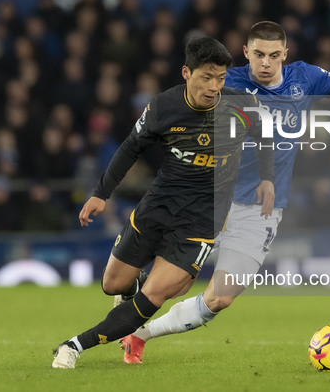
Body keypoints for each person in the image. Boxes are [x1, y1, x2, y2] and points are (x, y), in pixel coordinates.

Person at [120, 21, 330, 363]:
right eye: (259, 55)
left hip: (260, 211)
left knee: (220, 298)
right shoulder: (225, 82)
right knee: (172, 283)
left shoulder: (305, 79)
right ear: (246, 53)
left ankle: (139, 335)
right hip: (209, 203)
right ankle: (130, 292)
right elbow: (179, 110)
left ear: (285, 55)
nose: (265, 63)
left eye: (273, 56)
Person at [51, 36, 275, 369]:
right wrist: (101, 193)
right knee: (112, 284)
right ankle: (135, 286)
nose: (214, 86)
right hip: (158, 205)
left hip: (201, 221)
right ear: (187, 73)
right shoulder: (164, 107)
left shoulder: (242, 106)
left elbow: (265, 133)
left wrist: (267, 178)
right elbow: (130, 147)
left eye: (221, 78)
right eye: (206, 77)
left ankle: (73, 346)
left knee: (153, 297)